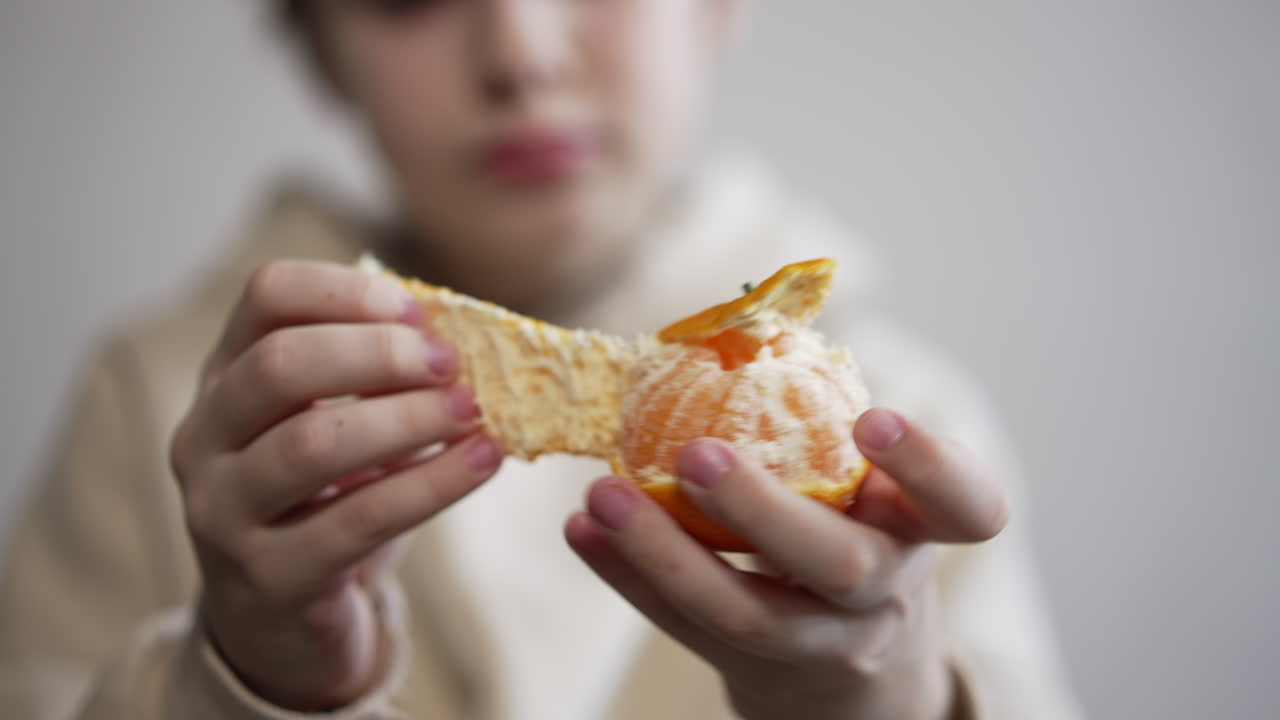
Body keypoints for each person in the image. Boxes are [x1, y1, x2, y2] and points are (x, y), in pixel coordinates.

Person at [0, 1, 1083, 718]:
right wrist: (245, 679)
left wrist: (896, 701)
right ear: (322, 46)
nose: (518, 50)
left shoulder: (901, 430)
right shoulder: (159, 406)